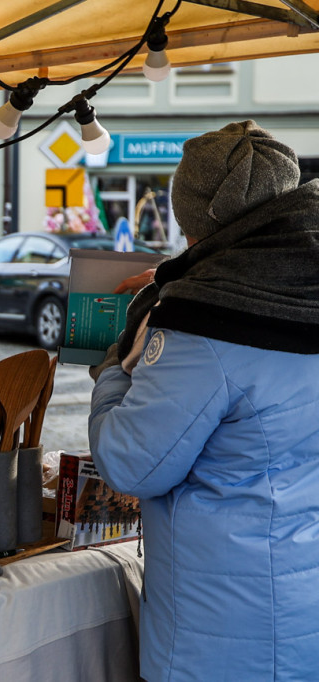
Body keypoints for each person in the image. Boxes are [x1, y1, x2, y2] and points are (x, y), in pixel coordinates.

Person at [88, 121, 319, 680]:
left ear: (200, 223)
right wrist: (177, 284)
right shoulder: (304, 280)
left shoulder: (204, 323)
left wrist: (121, 357)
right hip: (301, 596)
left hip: (219, 630)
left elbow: (130, 462)